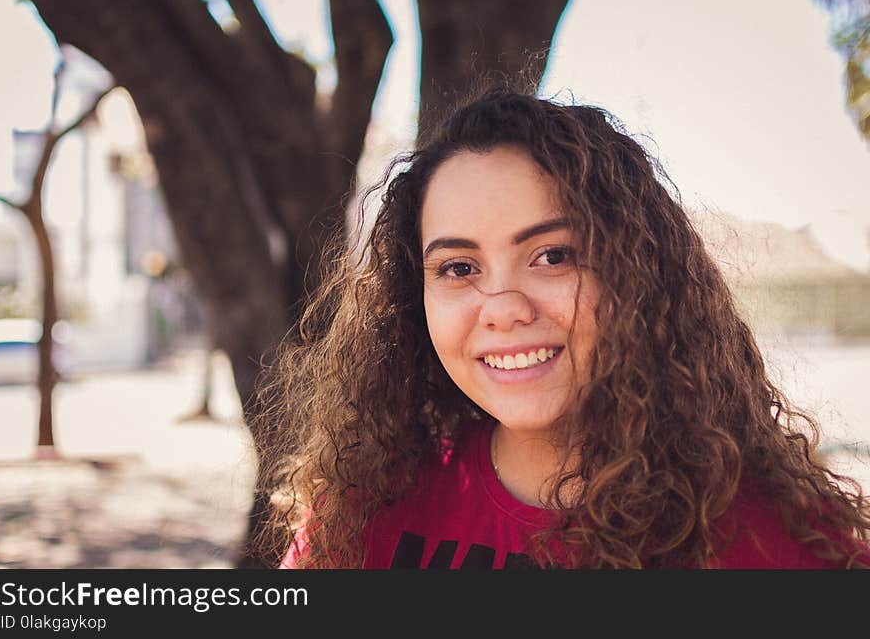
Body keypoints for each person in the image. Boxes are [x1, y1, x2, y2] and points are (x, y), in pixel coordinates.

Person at [255, 86, 870, 569]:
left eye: (553, 255)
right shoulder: (361, 510)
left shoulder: (775, 541)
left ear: (637, 274)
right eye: (459, 267)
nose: (502, 308)